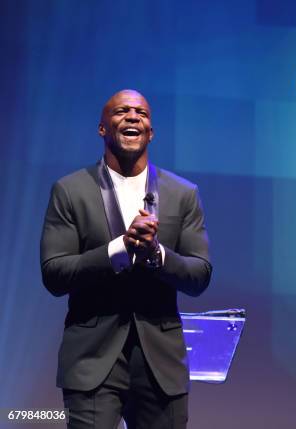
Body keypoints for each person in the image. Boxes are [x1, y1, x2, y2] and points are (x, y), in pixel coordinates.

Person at [40, 89, 212, 429]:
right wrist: (120, 249)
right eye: (122, 111)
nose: (133, 116)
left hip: (161, 366)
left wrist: (156, 254)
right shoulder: (70, 190)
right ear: (103, 128)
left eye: (142, 114)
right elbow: (54, 273)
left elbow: (200, 273)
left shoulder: (183, 194)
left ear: (151, 132)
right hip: (91, 361)